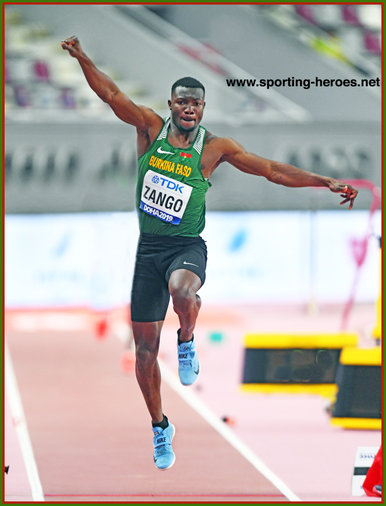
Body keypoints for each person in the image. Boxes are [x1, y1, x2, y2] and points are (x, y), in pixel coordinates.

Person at [61, 36, 358, 471]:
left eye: (196, 104)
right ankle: (161, 427)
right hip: (149, 251)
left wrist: (324, 180)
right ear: (170, 104)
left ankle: (186, 340)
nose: (189, 109)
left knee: (184, 292)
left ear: (202, 109)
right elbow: (110, 94)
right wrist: (84, 57)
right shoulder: (148, 128)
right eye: (182, 102)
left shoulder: (215, 148)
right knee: (143, 352)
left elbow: (273, 170)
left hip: (186, 247)